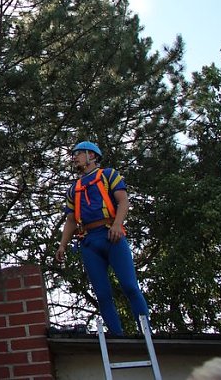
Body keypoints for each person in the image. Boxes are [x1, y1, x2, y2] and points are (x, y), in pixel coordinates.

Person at [55, 141, 149, 336]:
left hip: (111, 235)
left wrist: (117, 225)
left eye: (79, 153)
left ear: (93, 155)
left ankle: (145, 331)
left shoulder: (108, 175)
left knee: (130, 286)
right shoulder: (74, 189)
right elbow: (71, 220)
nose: (75, 158)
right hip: (89, 242)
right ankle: (117, 336)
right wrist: (62, 245)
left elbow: (123, 201)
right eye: (74, 155)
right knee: (103, 294)